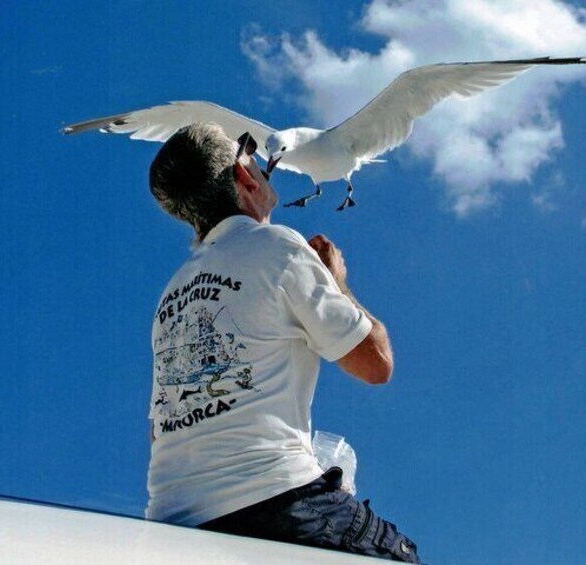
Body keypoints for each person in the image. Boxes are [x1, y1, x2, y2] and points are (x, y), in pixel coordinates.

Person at [145, 122, 420, 563]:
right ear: (244, 176)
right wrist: (337, 283)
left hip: (173, 522)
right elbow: (376, 364)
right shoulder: (278, 246)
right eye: (250, 155)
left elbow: (163, 424)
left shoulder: (172, 295)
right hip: (276, 502)